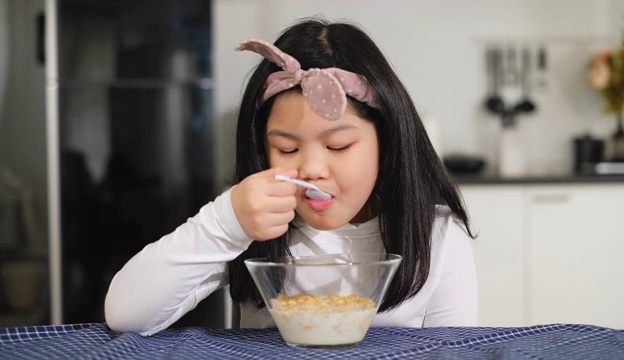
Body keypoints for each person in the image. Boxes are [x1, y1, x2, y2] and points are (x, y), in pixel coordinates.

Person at [104, 17, 478, 336]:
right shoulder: (255, 225)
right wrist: (227, 221)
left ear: (388, 139)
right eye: (286, 149)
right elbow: (125, 315)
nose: (312, 170)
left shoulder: (437, 237)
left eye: (338, 146)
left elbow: (455, 351)